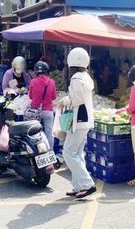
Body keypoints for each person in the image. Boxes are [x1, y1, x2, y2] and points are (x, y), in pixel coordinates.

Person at [61, 47, 96, 199]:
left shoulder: (76, 78)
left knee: (68, 152)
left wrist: (65, 100)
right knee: (77, 153)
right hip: (85, 119)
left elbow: (77, 100)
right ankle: (78, 186)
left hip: (78, 120)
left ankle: (87, 184)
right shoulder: (87, 77)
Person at [29, 61, 57, 150]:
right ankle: (50, 152)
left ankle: (36, 152)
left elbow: (30, 96)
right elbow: (54, 97)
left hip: (35, 111)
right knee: (49, 133)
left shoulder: (33, 82)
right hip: (48, 111)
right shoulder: (52, 82)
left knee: (34, 133)